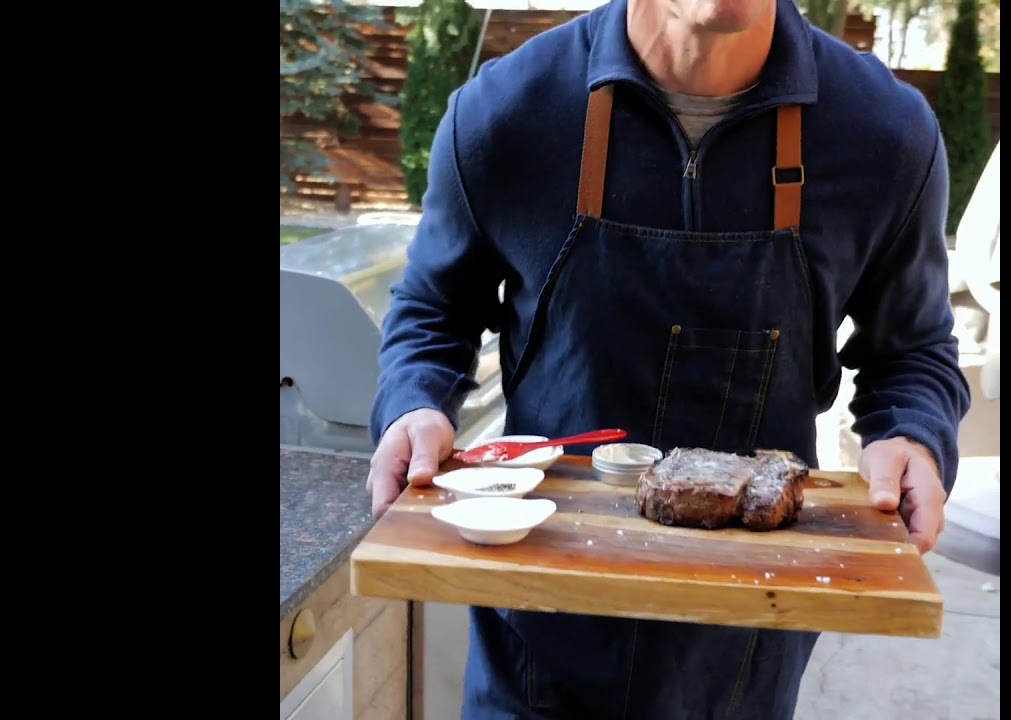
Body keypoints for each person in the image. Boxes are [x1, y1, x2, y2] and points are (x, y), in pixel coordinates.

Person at [365, 0, 971, 716]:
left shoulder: (885, 135)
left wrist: (912, 435)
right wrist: (414, 401)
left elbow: (913, 352)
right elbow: (433, 313)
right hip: (538, 642)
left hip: (746, 646)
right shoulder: (505, 114)